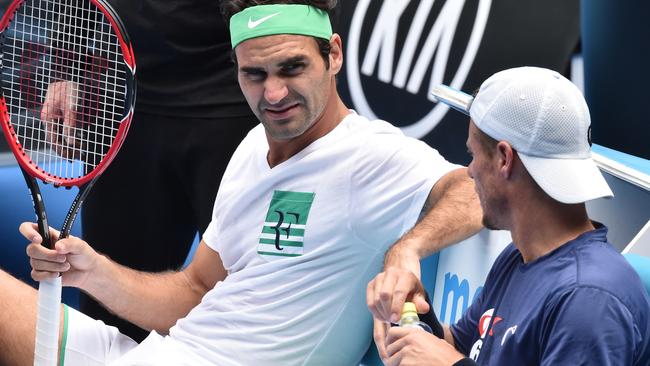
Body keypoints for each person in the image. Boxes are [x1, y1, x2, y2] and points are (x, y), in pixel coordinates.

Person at [0, 1, 483, 365]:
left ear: (333, 55)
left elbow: (472, 191)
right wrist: (90, 270)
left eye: (292, 68)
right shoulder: (253, 146)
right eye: (254, 74)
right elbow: (194, 290)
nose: (273, 93)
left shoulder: (368, 155)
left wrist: (407, 250)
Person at [367, 66, 650, 365]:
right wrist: (417, 313)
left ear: (505, 158)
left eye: (473, 155)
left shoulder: (590, 299)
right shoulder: (520, 254)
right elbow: (463, 346)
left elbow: (455, 360)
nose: (470, 171)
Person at [37, 0, 258, 342]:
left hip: (236, 103)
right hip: (126, 103)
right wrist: (66, 69)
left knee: (247, 307)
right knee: (108, 319)